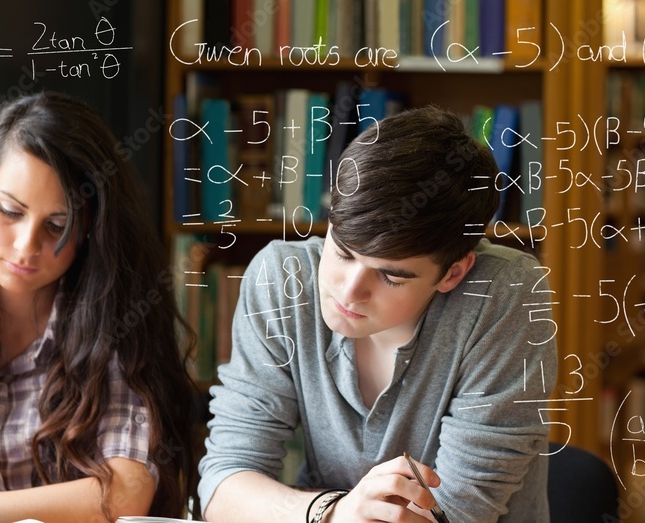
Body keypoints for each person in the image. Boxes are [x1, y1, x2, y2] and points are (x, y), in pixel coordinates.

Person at [199, 106, 558, 522]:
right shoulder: (282, 278)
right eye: (342, 252)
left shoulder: (505, 292)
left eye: (391, 276)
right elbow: (224, 484)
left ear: (453, 273)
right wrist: (332, 514)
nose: (349, 291)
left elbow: (460, 513)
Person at [0, 91, 198, 523]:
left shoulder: (113, 308)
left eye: (57, 226)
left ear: (89, 229)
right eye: (10, 211)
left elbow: (125, 493)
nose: (26, 247)